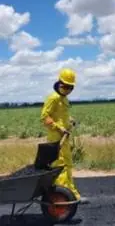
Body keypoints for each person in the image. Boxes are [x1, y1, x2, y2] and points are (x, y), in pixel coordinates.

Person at [40, 68, 88, 204]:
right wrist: (59, 128)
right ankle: (61, 197)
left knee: (67, 165)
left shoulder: (64, 99)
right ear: (59, 83)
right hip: (56, 138)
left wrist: (69, 120)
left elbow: (61, 115)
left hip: (65, 138)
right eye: (64, 86)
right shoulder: (53, 98)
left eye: (70, 87)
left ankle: (73, 195)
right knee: (60, 167)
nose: (67, 89)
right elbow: (45, 117)